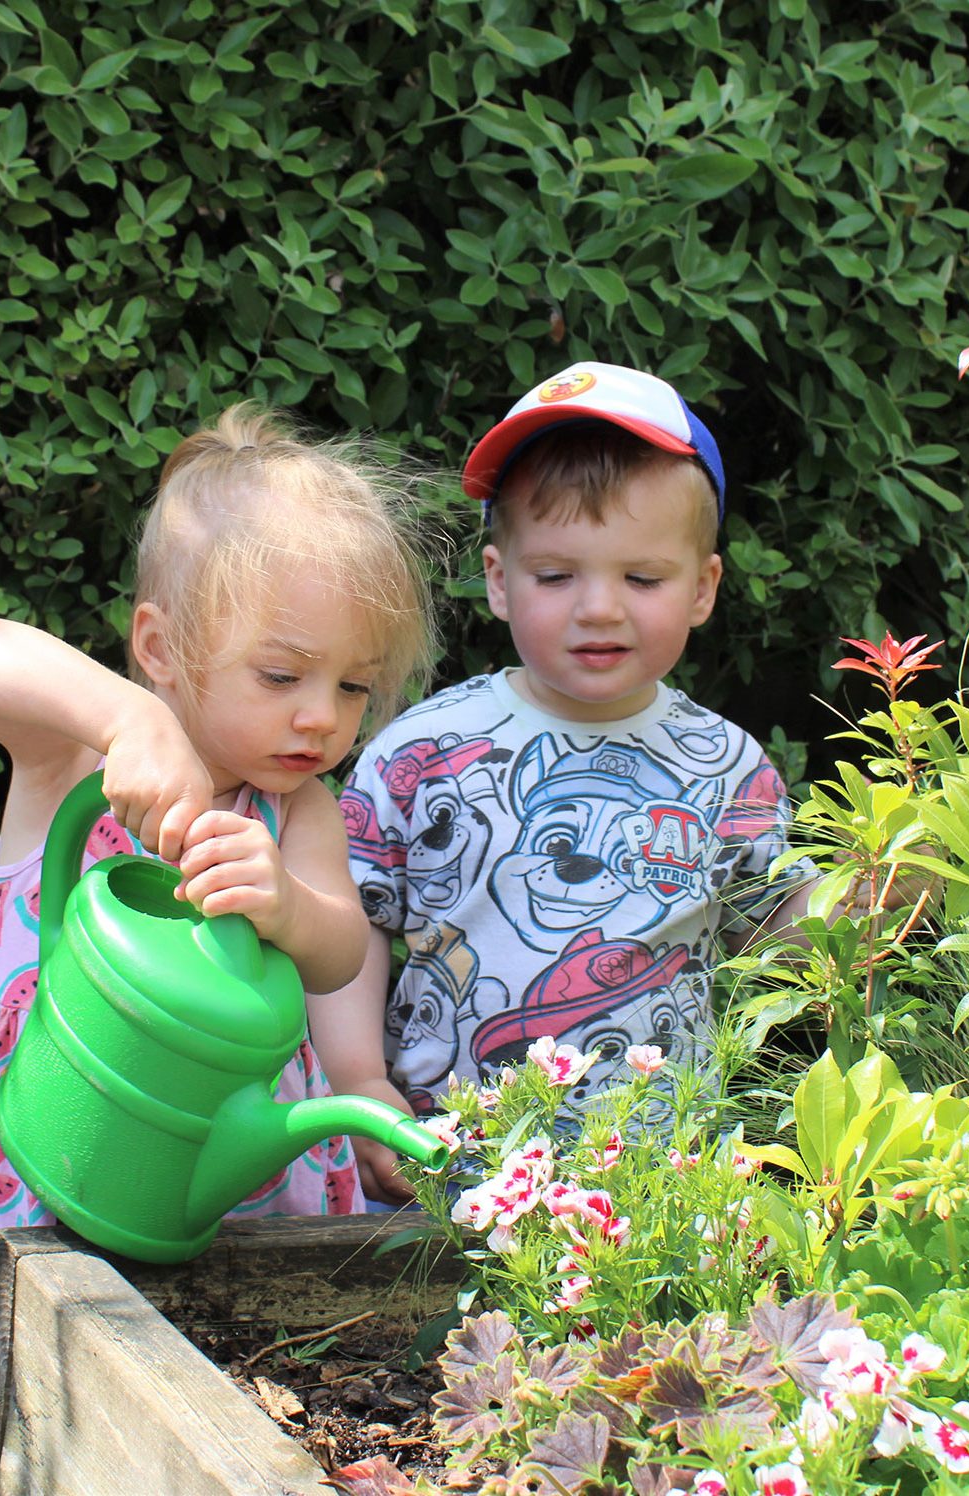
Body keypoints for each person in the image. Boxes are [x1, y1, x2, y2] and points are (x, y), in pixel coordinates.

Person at [0, 404, 435, 1495]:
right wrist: (125, 720)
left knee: (191, 1407)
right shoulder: (74, 757)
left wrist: (291, 924)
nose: (320, 715)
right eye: (281, 674)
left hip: (208, 1179)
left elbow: (338, 950)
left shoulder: (293, 810)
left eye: (352, 685)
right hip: (29, 1174)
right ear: (162, 647)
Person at [311, 361, 823, 1204]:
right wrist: (361, 1081)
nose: (598, 607)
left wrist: (865, 902)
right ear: (498, 579)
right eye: (557, 576)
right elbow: (350, 926)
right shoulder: (425, 753)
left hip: (657, 1201)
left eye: (642, 578)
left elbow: (771, 944)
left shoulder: (729, 770)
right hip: (447, 1181)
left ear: (703, 588)